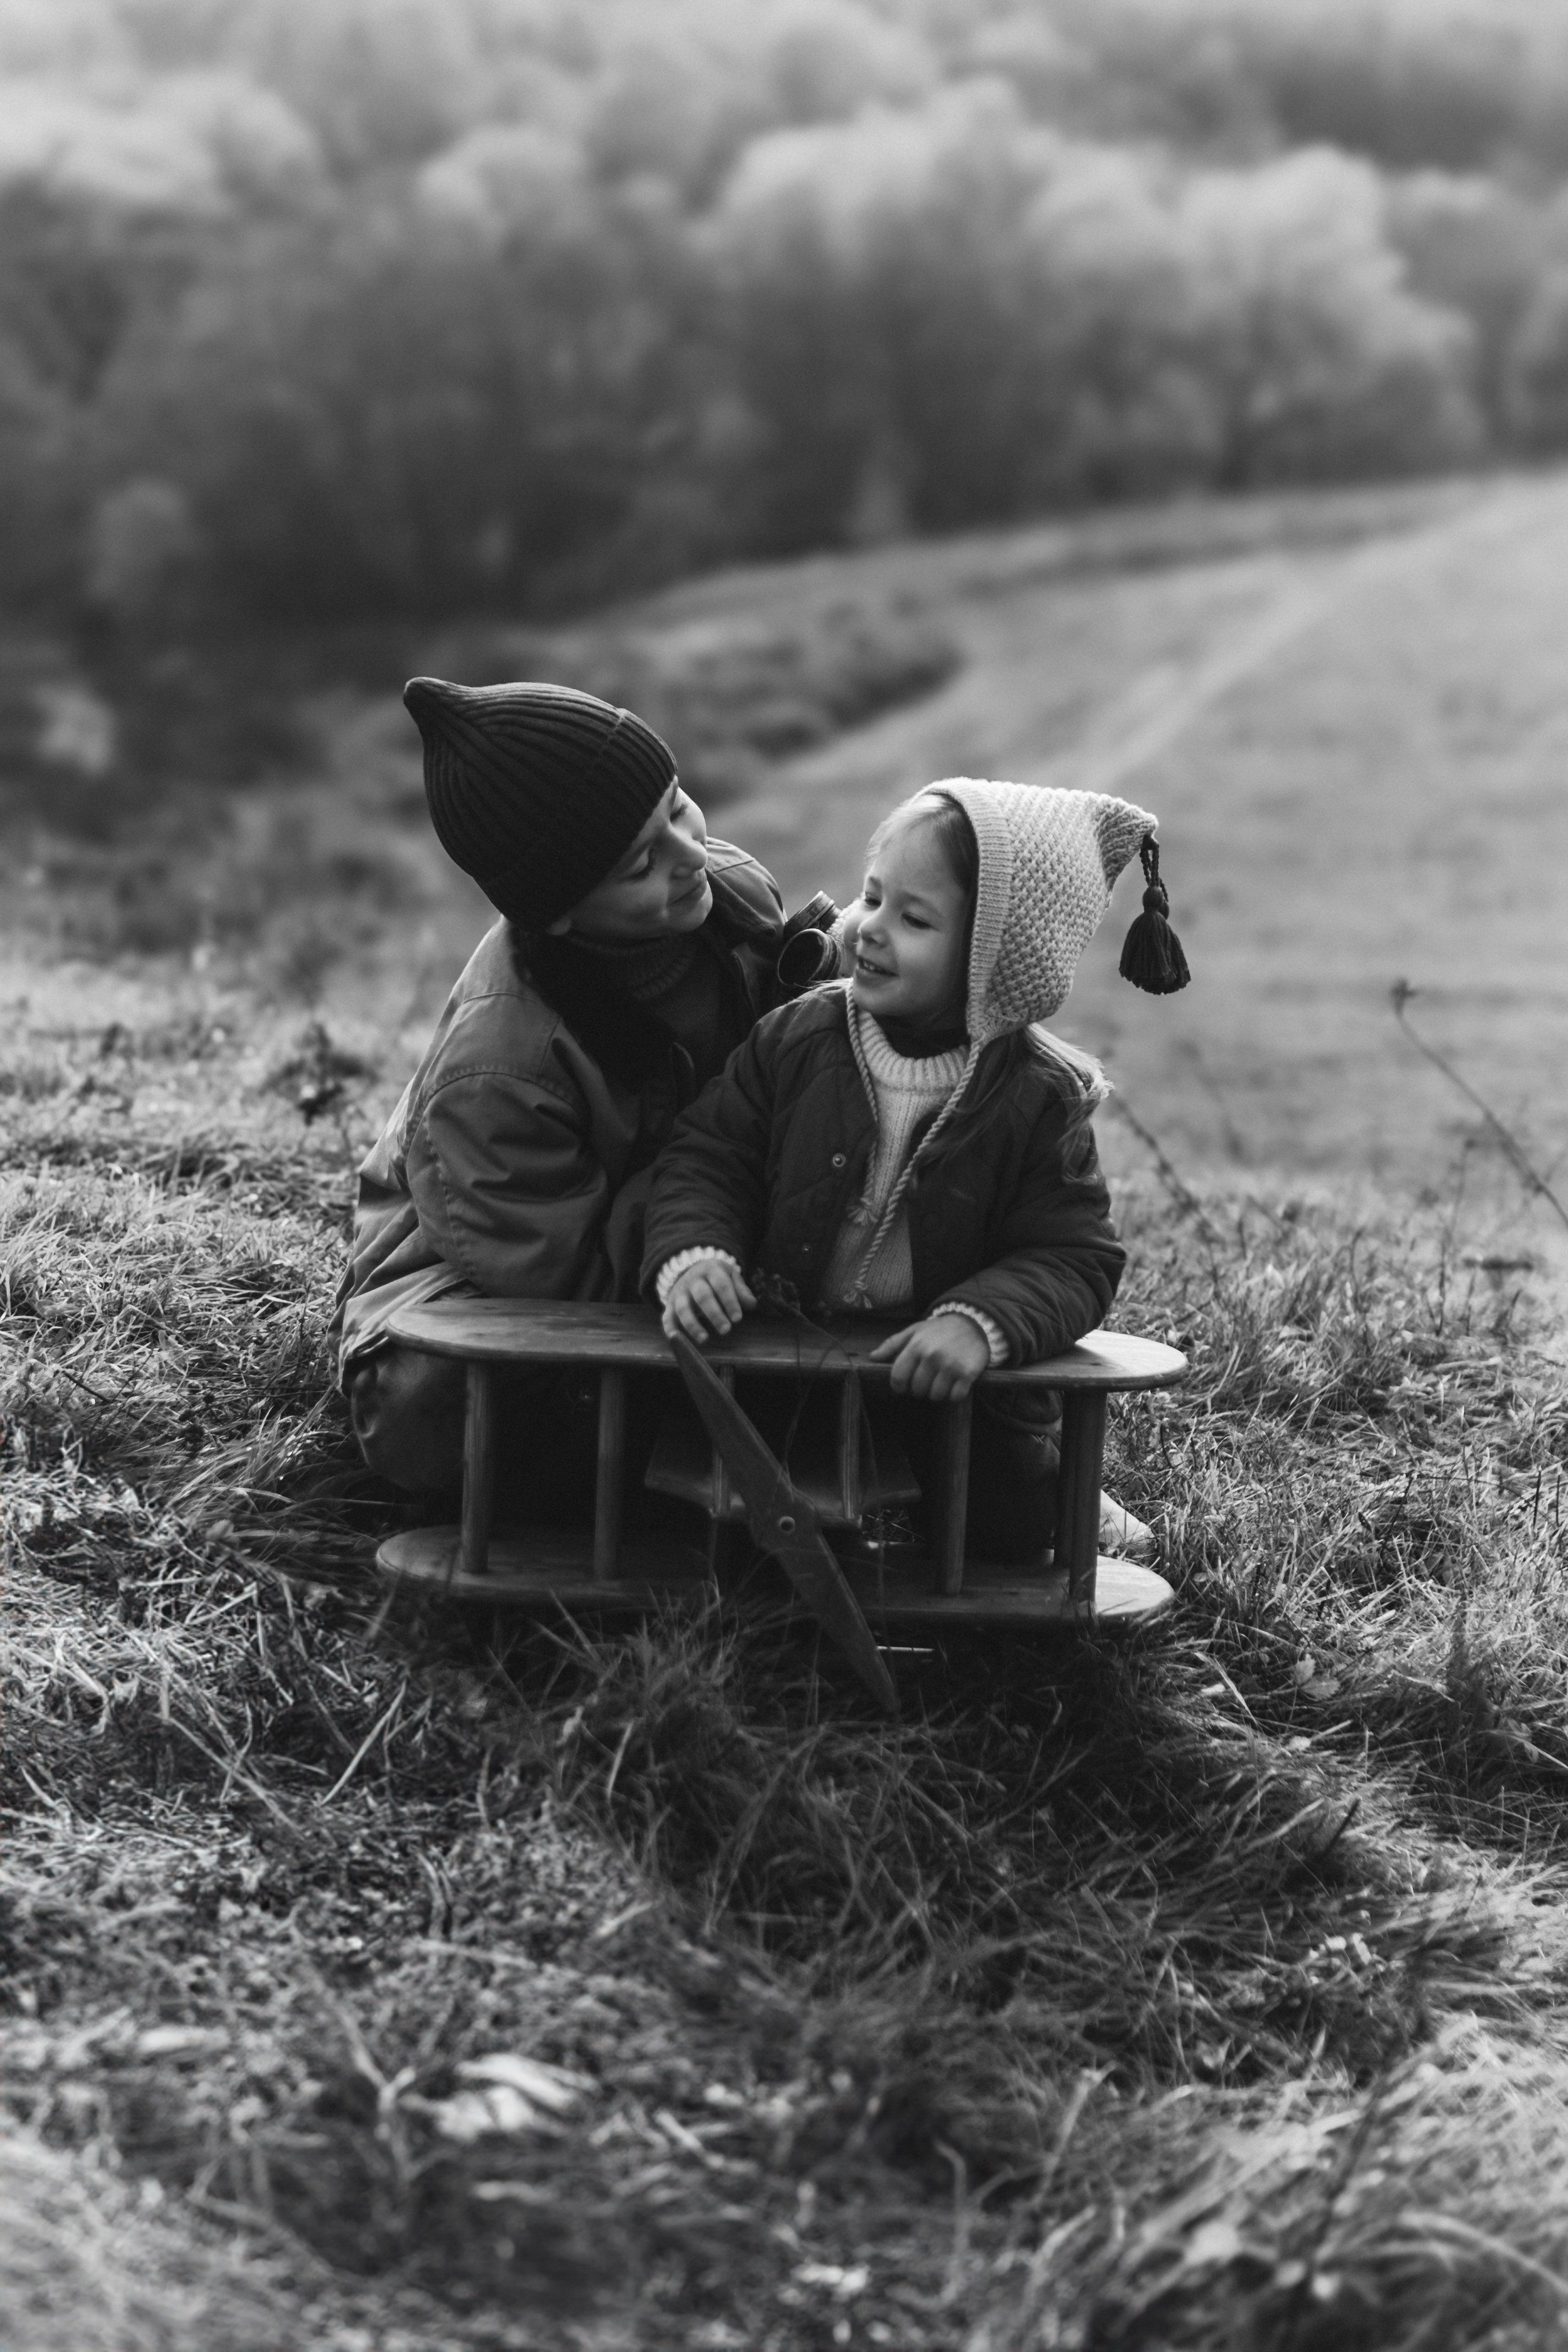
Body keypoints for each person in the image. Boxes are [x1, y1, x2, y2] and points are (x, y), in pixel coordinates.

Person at [642, 778, 1178, 1566]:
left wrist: (979, 1323)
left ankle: (1058, 1497)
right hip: (778, 1355)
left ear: (1000, 964)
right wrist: (695, 1251)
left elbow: (1072, 1256)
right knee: (708, 1514)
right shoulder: (796, 1039)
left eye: (915, 918)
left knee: (1010, 1525)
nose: (869, 931)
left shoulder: (1034, 1098)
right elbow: (707, 1155)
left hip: (934, 1382)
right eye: (872, 896)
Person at [335, 676, 827, 1503]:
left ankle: (942, 1446)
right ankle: (700, 1466)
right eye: (642, 863)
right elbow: (559, 1269)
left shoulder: (728, 895)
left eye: (677, 808)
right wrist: (724, 1220)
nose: (692, 857)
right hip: (501, 1286)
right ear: (559, 914)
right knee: (436, 1409)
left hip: (697, 1226)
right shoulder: (498, 1066)